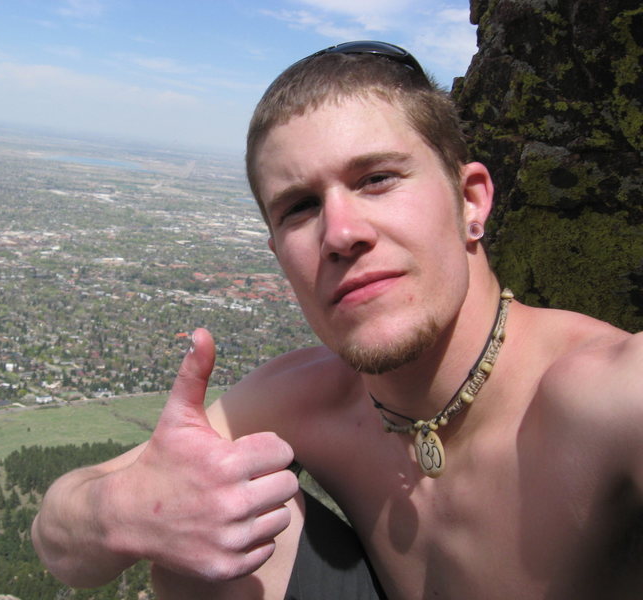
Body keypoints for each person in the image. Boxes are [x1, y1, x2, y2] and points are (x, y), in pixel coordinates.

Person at [32, 41, 643, 599]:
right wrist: (125, 511)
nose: (341, 234)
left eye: (377, 179)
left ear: (471, 201)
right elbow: (58, 536)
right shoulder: (307, 400)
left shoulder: (603, 396)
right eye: (300, 208)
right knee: (209, 552)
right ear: (279, 254)